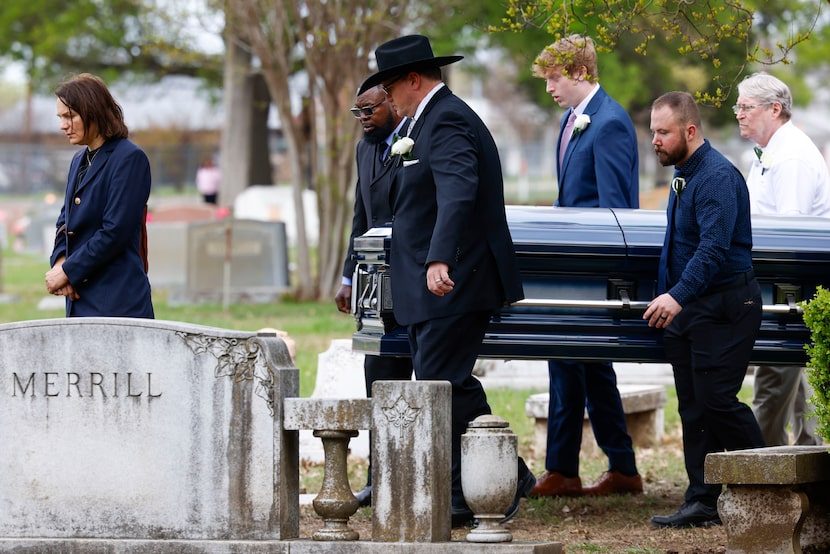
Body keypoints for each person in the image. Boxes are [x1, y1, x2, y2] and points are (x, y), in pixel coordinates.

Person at [360, 34, 534, 528]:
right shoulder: (423, 121)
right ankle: (501, 475)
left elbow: (459, 193)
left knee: (444, 383)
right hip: (426, 285)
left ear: (414, 79)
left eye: (391, 88)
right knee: (444, 382)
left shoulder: (449, 118)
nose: (388, 99)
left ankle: (479, 485)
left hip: (454, 280)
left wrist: (441, 260)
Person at [529, 34, 642, 498]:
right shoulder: (573, 119)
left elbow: (616, 211)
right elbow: (572, 198)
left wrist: (602, 273)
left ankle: (564, 470)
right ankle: (622, 469)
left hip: (591, 272)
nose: (550, 88)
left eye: (555, 78)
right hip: (573, 264)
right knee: (590, 367)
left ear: (580, 73)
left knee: (568, 360)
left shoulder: (609, 122)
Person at [645, 91, 765, 528]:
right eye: (653, 131)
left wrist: (675, 296)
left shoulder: (714, 176)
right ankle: (704, 499)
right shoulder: (684, 173)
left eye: (664, 132)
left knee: (717, 402)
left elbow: (713, 250)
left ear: (690, 132)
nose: (655, 140)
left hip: (727, 305)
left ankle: (779, 479)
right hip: (691, 308)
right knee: (693, 407)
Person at [735, 72, 829, 447]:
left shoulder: (791, 158)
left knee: (773, 385)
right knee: (801, 392)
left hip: (788, 290)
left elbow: (790, 240)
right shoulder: (774, 151)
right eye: (737, 106)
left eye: (746, 106)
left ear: (774, 109)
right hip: (783, 288)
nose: (738, 114)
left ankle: (759, 474)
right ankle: (809, 467)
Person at [335, 81, 414, 507]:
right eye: (358, 112)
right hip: (376, 288)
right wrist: (349, 276)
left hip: (420, 282)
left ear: (392, 102)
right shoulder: (366, 149)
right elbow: (360, 216)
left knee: (435, 383)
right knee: (379, 380)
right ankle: (379, 477)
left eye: (370, 109)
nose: (363, 118)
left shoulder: (417, 139)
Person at [46, 73, 154, 318]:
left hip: (117, 300)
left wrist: (69, 271)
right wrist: (61, 262)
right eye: (61, 117)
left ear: (93, 112)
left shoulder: (128, 159)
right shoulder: (78, 160)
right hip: (78, 298)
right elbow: (65, 221)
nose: (63, 125)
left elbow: (115, 231)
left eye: (70, 116)